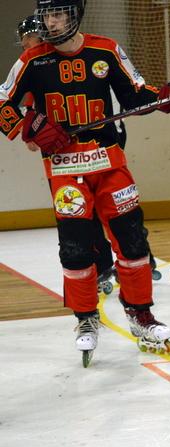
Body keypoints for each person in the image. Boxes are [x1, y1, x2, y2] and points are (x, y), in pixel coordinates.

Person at [0, 0, 170, 359]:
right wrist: (28, 125)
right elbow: (2, 103)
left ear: (75, 14)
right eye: (47, 14)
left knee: (133, 241)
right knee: (76, 248)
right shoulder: (31, 62)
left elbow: (136, 94)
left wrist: (169, 98)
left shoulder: (106, 50)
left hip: (109, 164)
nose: (52, 21)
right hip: (64, 171)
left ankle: (141, 314)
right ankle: (85, 318)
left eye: (59, 13)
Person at [15, 14, 116, 297]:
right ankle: (102, 263)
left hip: (98, 142)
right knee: (76, 209)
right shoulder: (36, 64)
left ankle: (122, 256)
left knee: (105, 203)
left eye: (30, 40)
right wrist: (30, 130)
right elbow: (32, 108)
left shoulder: (74, 56)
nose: (26, 47)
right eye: (23, 42)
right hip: (62, 152)